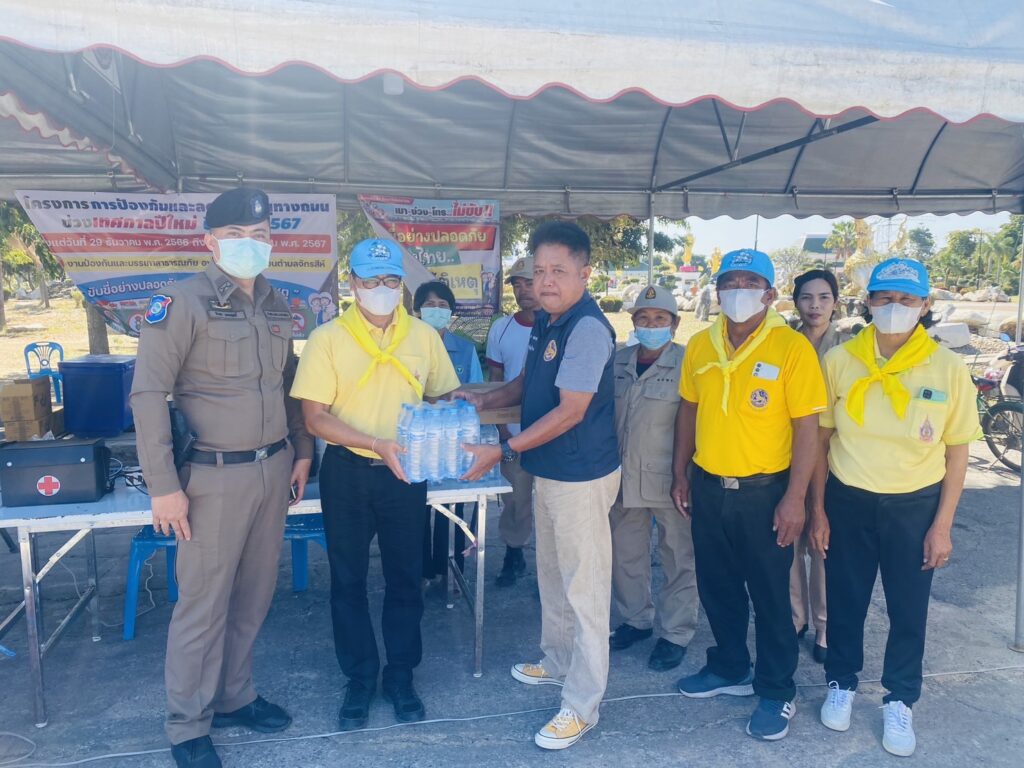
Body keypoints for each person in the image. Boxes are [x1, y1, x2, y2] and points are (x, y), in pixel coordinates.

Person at [130, 187, 314, 768]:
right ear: (209, 241)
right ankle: (188, 724)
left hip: (273, 469)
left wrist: (303, 449)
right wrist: (164, 486)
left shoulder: (277, 304)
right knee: (203, 605)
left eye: (259, 236)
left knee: (254, 595)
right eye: (236, 236)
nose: (248, 246)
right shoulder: (180, 302)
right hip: (211, 477)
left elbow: (288, 384)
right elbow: (148, 394)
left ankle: (235, 696)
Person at [458, 221, 620, 750]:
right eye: (540, 271)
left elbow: (571, 411)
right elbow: (529, 383)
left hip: (581, 474)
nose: (546, 281)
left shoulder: (587, 328)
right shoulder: (549, 321)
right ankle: (557, 660)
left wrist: (503, 451)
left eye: (559, 271)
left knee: (584, 588)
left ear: (584, 273)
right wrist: (486, 399)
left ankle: (583, 704)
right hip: (550, 468)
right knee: (552, 574)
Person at [811, 258, 980, 757]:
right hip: (849, 499)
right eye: (884, 298)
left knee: (909, 608)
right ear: (868, 302)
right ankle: (841, 682)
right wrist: (818, 510)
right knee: (846, 600)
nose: (894, 308)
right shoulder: (840, 359)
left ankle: (900, 698)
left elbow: (957, 451)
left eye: (907, 300)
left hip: (915, 504)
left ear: (925, 306)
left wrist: (942, 526)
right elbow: (821, 440)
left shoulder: (947, 367)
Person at [290, 239, 460, 731]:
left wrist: (449, 420)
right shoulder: (327, 339)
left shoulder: (423, 335)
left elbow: (443, 393)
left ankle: (401, 675)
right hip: (347, 471)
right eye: (370, 280)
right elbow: (315, 418)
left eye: (390, 280)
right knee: (348, 580)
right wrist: (375, 442)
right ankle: (360, 677)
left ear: (401, 284)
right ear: (352, 283)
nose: (381, 289)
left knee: (406, 577)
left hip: (405, 473)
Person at [670, 248, 826, 742]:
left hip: (766, 492)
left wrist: (795, 498)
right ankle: (730, 666)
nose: (738, 291)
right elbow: (688, 410)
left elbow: (807, 428)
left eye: (750, 282)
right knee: (717, 587)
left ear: (770, 294)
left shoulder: (791, 348)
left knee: (771, 594)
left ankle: (777, 689)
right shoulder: (701, 343)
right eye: (729, 282)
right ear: (717, 292)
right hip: (709, 486)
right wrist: (680, 472)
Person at [608, 285, 698, 672]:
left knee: (678, 556)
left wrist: (685, 475)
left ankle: (676, 632)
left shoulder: (688, 362)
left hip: (670, 479)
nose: (651, 325)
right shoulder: (618, 361)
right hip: (623, 477)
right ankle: (636, 620)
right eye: (643, 318)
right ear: (633, 322)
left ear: (674, 325)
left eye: (660, 319)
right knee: (626, 554)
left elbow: (696, 422)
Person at [789, 269, 844, 665]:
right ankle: (795, 619)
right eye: (807, 298)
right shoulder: (784, 344)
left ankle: (825, 626)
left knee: (823, 545)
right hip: (788, 457)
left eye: (824, 297)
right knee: (787, 545)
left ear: (835, 302)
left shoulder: (848, 349)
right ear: (795, 302)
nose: (815, 306)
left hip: (831, 460)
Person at [413, 279, 483, 586]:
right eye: (429, 305)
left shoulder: (465, 350)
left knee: (452, 508)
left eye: (442, 305)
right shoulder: (405, 347)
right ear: (416, 311)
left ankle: (451, 572)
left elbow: (476, 396)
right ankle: (422, 572)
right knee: (415, 508)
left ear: (451, 312)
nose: (436, 310)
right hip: (416, 443)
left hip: (454, 445)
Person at [484, 256, 538, 587]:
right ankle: (513, 553)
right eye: (517, 285)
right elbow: (496, 381)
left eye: (529, 283)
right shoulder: (501, 328)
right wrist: (502, 430)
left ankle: (552, 570)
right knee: (515, 499)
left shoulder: (561, 326)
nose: (522, 291)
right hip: (514, 433)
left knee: (553, 505)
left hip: (555, 434)